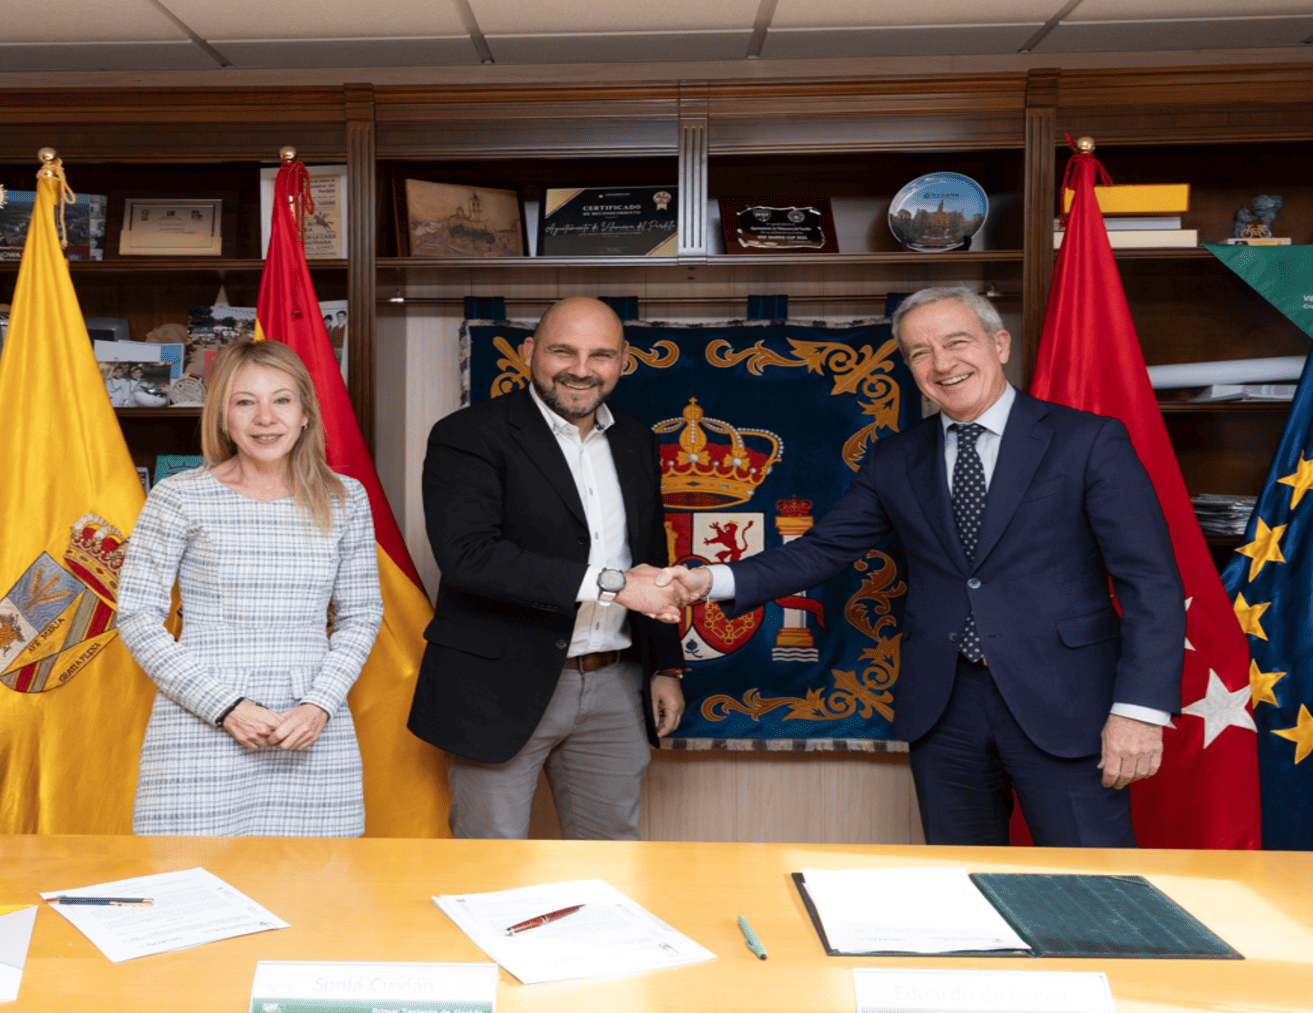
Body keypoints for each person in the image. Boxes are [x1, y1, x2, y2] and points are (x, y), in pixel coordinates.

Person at [658, 287, 1184, 847]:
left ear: (999, 344)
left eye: (957, 342)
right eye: (920, 352)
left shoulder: (1087, 440)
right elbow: (822, 550)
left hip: (1068, 702)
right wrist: (705, 580)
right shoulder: (895, 457)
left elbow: (1149, 582)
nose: (943, 364)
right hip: (945, 709)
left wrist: (1140, 709)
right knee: (961, 890)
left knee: (1095, 890)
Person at [409, 296, 692, 840]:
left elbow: (649, 555)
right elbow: (470, 558)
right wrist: (612, 586)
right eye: (564, 351)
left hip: (615, 683)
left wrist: (665, 667)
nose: (581, 370)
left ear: (624, 360)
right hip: (498, 684)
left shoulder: (635, 439)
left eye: (600, 355)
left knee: (611, 861)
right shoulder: (467, 435)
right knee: (490, 866)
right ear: (528, 352)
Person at [117, 339, 383, 836]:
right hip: (201, 724)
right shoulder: (178, 497)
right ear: (223, 416)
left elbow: (361, 614)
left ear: (305, 413)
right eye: (245, 401)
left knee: (315, 892)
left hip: (310, 727)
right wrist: (225, 708)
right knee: (190, 889)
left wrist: (319, 704)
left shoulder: (346, 499)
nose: (266, 418)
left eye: (282, 400)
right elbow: (135, 616)